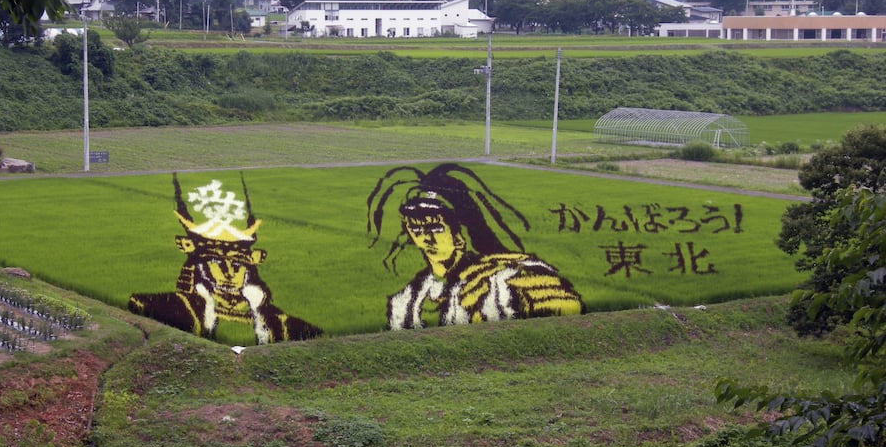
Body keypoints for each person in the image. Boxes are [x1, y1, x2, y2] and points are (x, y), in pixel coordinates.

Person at [367, 163, 584, 330]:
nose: (426, 239)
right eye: (416, 229)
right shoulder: (407, 298)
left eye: (435, 228)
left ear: (459, 232)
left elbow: (564, 305)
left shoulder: (504, 276)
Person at [128, 174, 321, 344]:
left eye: (237, 265)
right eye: (216, 263)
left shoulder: (282, 323)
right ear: (200, 267)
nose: (229, 273)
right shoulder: (161, 307)